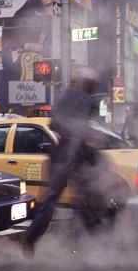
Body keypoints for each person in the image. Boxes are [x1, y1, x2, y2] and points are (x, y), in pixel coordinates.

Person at [22, 67, 102, 258]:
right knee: (84, 197)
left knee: (52, 198)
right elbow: (83, 128)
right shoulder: (88, 99)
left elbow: (54, 125)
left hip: (61, 150)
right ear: (87, 83)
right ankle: (88, 241)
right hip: (74, 151)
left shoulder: (65, 95)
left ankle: (31, 239)